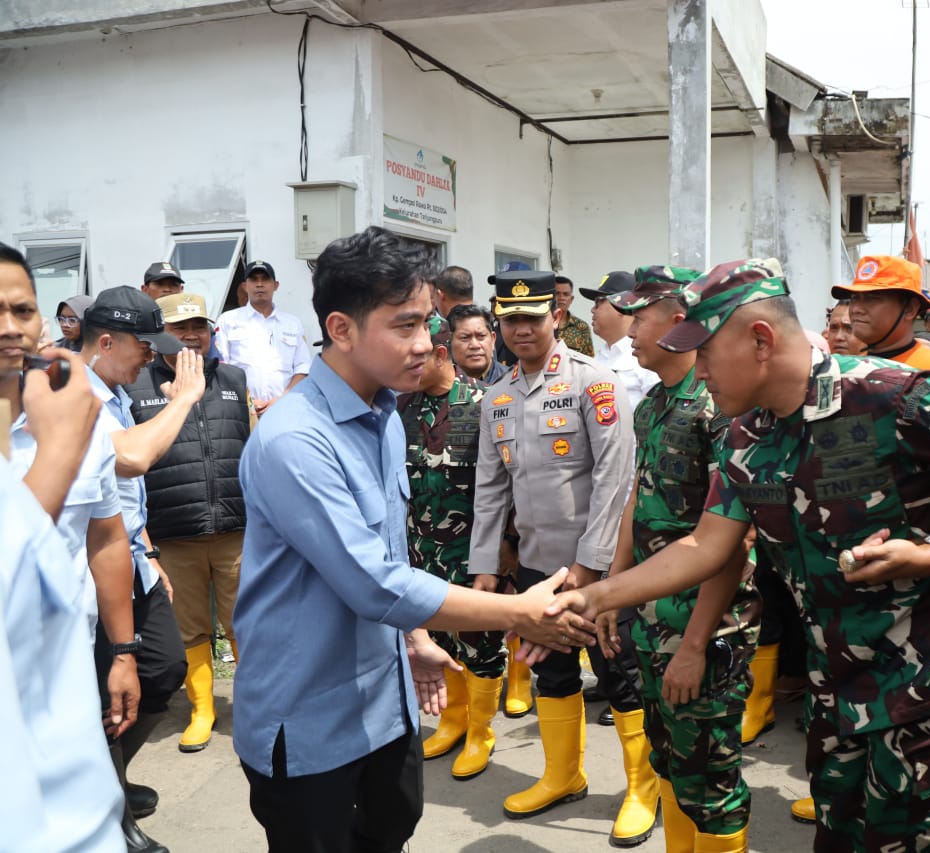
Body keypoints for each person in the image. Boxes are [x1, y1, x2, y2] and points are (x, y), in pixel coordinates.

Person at [537, 257, 930, 852]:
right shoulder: (746, 432)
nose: (697, 369)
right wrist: (589, 597)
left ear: (759, 340)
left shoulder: (891, 395)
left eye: (704, 352)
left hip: (923, 688)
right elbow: (706, 544)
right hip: (831, 691)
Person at [231, 226, 593, 852]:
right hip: (310, 715)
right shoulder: (295, 440)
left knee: (393, 827)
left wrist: (417, 637)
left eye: (429, 323)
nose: (426, 344)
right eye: (405, 326)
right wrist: (520, 614)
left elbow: (390, 551)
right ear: (341, 329)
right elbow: (374, 583)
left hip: (387, 695)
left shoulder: (383, 418)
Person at [468, 269, 644, 841]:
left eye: (532, 318)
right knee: (554, 670)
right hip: (540, 570)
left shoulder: (594, 383)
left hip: (602, 570)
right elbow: (490, 490)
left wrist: (591, 570)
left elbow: (617, 480)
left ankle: (642, 787)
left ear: (557, 318)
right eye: (510, 319)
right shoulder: (496, 398)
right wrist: (486, 568)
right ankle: (563, 774)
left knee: (620, 675)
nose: (520, 329)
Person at [605, 263, 761, 852]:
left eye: (639, 317)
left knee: (709, 779)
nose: (630, 329)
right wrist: (615, 589)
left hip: (704, 623)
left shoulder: (718, 409)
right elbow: (637, 501)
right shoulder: (653, 406)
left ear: (678, 319)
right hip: (650, 615)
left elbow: (731, 542)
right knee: (669, 761)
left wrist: (695, 647)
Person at [0, 246, 146, 850]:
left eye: (21, 308)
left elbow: (107, 536)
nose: (9, 327)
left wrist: (122, 651)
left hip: (67, 669)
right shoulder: (67, 429)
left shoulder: (67, 417)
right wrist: (59, 452)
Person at [82, 286, 196, 853]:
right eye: (144, 348)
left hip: (131, 560)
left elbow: (122, 497)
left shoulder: (114, 389)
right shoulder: (74, 395)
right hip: (93, 576)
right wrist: (185, 400)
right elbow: (129, 459)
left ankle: (113, 775)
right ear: (105, 342)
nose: (151, 359)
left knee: (162, 668)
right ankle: (112, 817)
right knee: (108, 691)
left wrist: (148, 551)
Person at [125, 292, 253, 755]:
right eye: (180, 328)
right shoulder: (136, 388)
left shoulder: (235, 379)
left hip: (236, 530)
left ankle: (255, 706)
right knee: (191, 627)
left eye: (199, 326)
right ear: (163, 335)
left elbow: (254, 448)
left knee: (247, 623)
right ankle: (203, 710)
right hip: (173, 533)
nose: (191, 335)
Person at [399, 317, 510, 779]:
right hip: (422, 553)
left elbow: (506, 487)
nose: (409, 365)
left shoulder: (485, 406)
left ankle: (481, 731)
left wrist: (503, 554)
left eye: (420, 357)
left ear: (441, 355)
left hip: (473, 553)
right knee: (440, 640)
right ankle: (452, 720)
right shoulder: (403, 408)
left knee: (482, 645)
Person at [833, 256, 930, 392]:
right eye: (854, 298)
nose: (856, 308)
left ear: (910, 309)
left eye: (872, 298)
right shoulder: (845, 369)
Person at [213, 260, 311, 416]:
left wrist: (282, 398)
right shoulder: (228, 321)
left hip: (284, 409)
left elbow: (303, 368)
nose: (259, 284)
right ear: (245, 286)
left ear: (276, 285)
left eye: (265, 279)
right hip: (241, 409)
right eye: (254, 280)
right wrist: (247, 399)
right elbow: (221, 366)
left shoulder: (292, 323)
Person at [581, 270, 660, 408]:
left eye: (599, 303)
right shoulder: (601, 357)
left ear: (622, 305)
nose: (593, 310)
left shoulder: (648, 357)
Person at [448, 303, 506, 384]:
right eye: (465, 338)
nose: (475, 345)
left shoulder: (511, 382)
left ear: (493, 340)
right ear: (450, 342)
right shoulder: (441, 383)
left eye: (481, 336)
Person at [553, 274, 595, 356]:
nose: (561, 298)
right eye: (557, 293)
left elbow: (588, 360)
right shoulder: (541, 325)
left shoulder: (581, 327)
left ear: (571, 299)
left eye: (565, 294)